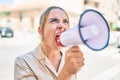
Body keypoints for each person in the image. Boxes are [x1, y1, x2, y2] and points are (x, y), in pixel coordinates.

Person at [14, 6, 84, 80]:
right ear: (40, 31)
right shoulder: (24, 62)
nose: (62, 26)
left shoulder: (69, 59)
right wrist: (66, 73)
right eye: (54, 20)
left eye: (65, 21)